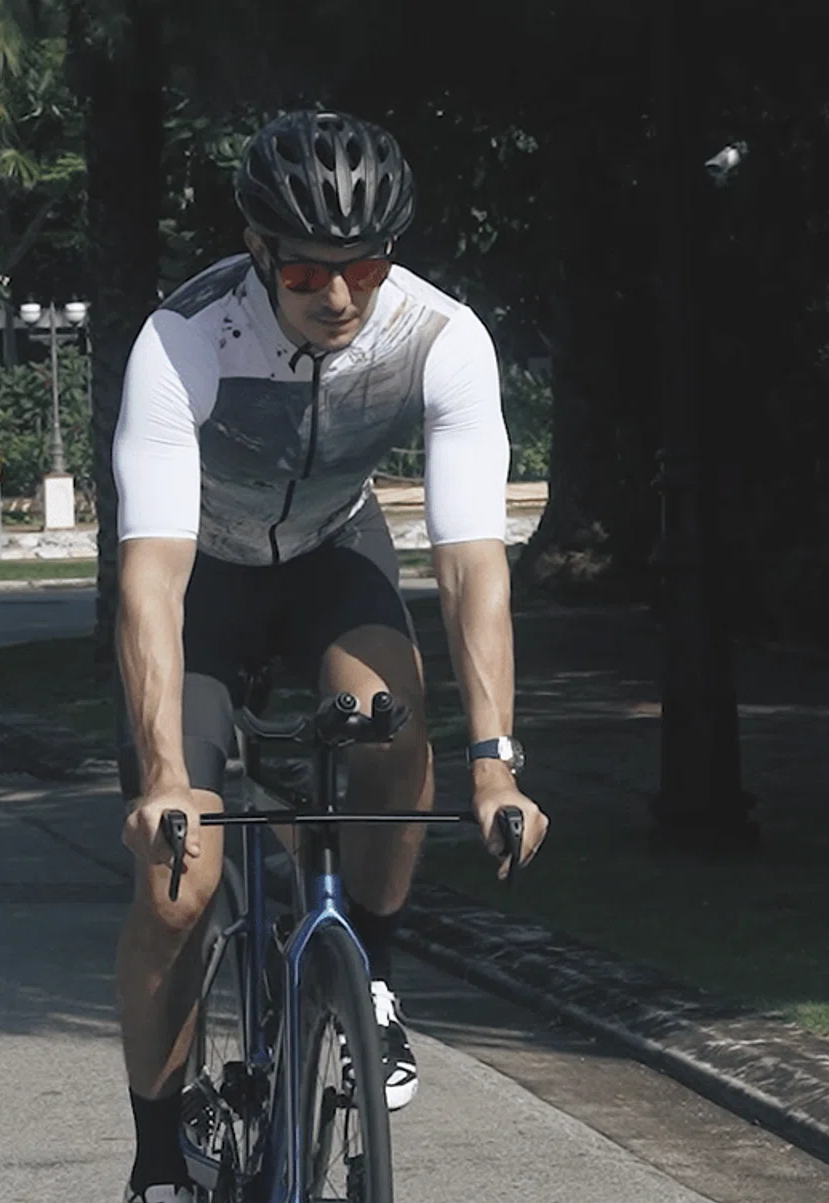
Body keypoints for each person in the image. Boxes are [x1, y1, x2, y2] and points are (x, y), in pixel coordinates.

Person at [107, 107, 550, 1203]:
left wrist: (496, 761)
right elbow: (151, 577)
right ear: (258, 252)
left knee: (397, 736)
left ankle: (376, 979)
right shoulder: (184, 337)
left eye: (362, 265)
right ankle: (159, 1156)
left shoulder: (440, 337)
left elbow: (470, 564)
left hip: (328, 555)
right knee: (181, 881)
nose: (338, 295)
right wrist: (166, 776)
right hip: (202, 575)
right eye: (306, 269)